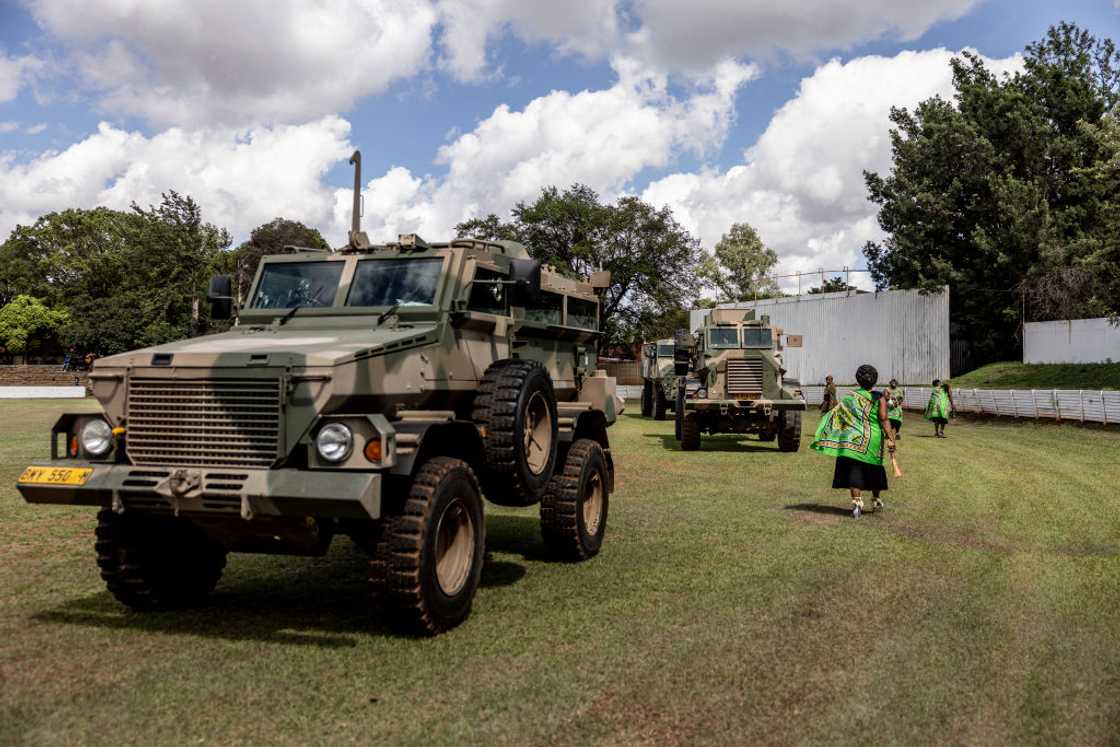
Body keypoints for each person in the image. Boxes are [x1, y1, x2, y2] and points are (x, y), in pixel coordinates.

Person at [811, 364, 896, 518]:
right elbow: (884, 419)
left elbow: (839, 415)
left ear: (858, 380)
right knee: (874, 468)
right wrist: (891, 438)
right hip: (872, 440)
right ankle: (876, 500)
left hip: (851, 440)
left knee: (854, 470)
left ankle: (856, 503)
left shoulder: (850, 397)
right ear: (875, 380)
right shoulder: (879, 398)